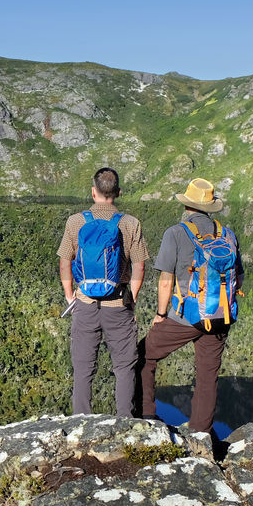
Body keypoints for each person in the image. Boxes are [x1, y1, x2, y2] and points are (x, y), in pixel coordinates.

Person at [137, 178, 243, 432]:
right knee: (207, 377)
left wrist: (161, 314)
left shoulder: (176, 233)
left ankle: (147, 416)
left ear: (187, 206)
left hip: (186, 317)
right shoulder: (228, 234)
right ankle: (201, 433)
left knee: (142, 356)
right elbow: (238, 276)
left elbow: (166, 281)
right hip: (221, 315)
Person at [57, 167, 149, 416]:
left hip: (85, 303)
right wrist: (132, 299)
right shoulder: (130, 224)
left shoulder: (76, 222)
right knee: (124, 367)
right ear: (118, 192)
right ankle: (124, 424)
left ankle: (80, 424)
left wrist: (70, 296)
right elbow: (139, 266)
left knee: (84, 369)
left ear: (93, 191)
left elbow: (65, 261)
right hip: (118, 304)